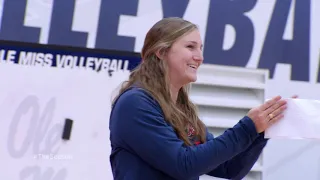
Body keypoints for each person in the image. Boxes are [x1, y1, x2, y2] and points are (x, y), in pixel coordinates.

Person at [108, 17, 290, 180]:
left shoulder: (181, 109)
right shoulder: (135, 104)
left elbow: (229, 169)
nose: (200, 57)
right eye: (190, 47)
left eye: (200, 48)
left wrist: (260, 131)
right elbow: (184, 165)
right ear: (161, 52)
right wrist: (247, 127)